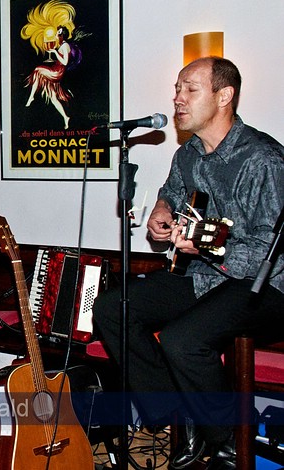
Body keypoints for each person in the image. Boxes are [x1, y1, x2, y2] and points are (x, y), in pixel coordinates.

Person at [93, 57, 284, 470]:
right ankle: (180, 412)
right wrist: (162, 210)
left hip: (266, 286)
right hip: (202, 277)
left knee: (182, 340)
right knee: (113, 308)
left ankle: (228, 440)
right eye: (177, 89)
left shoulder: (264, 159)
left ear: (224, 96)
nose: (177, 98)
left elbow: (268, 252)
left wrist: (209, 248)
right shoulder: (188, 154)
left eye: (190, 89)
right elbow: (172, 192)